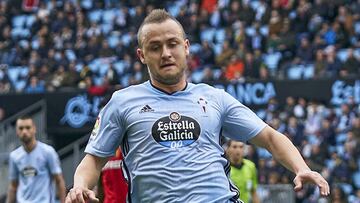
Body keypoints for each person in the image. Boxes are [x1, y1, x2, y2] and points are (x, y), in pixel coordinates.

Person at [65, 9, 330, 203]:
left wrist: (301, 168)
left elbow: (271, 138)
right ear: (142, 55)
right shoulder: (122, 102)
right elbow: (93, 160)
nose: (166, 53)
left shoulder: (215, 98)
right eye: (155, 47)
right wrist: (79, 186)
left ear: (186, 47)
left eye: (172, 44)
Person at [6, 115, 66, 203]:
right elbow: (13, 186)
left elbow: (59, 180)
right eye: (21, 128)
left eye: (28, 128)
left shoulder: (48, 152)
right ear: (17, 131)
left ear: (34, 129)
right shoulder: (14, 156)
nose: (24, 131)